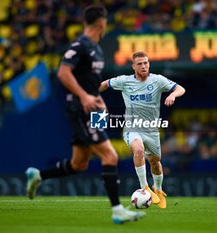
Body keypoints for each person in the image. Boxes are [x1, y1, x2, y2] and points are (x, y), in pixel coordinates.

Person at [25, 5, 145, 224]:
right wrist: (83, 96)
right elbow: (63, 72)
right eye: (106, 22)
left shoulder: (97, 49)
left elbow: (88, 83)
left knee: (79, 164)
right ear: (101, 23)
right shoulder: (80, 44)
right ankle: (118, 210)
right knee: (110, 156)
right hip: (81, 109)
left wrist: (97, 99)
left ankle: (38, 176)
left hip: (93, 108)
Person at [99, 51, 186, 209]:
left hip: (152, 130)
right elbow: (105, 84)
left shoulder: (158, 80)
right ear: (133, 66)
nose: (144, 66)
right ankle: (145, 187)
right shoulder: (124, 81)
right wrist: (90, 94)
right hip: (132, 127)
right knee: (138, 150)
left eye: (146, 63)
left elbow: (181, 88)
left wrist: (173, 95)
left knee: (155, 162)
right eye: (139, 64)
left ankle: (158, 190)